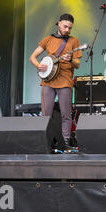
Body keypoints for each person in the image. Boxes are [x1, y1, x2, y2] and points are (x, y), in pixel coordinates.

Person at [30, 13, 82, 150]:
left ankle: (64, 142)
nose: (67, 30)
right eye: (65, 26)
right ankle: (47, 140)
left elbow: (77, 64)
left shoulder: (74, 41)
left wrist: (70, 59)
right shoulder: (48, 39)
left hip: (65, 81)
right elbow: (33, 57)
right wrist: (38, 65)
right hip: (48, 81)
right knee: (46, 114)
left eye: (70, 28)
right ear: (58, 23)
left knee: (66, 114)